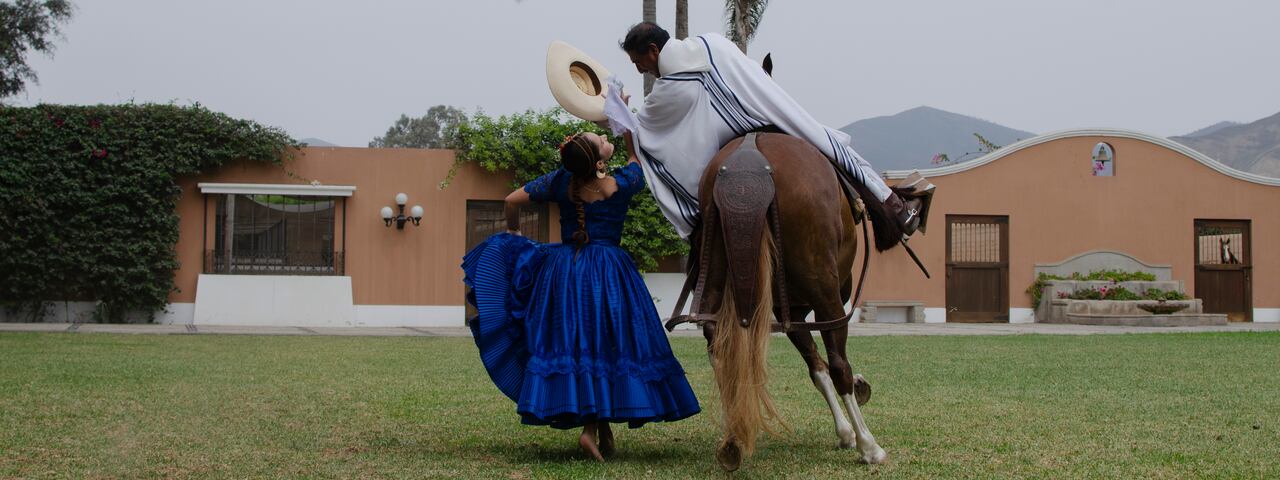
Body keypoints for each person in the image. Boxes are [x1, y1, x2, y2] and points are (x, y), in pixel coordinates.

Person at [462, 130, 701, 461]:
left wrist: (514, 232)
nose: (604, 135)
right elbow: (637, 161)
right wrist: (629, 132)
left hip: (566, 272)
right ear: (601, 161)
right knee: (608, 345)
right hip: (610, 272)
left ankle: (600, 430)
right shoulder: (619, 184)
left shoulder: (561, 180)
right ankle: (590, 431)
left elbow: (511, 200)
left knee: (580, 346)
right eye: (600, 139)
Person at [609, 22, 934, 251]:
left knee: (705, 210)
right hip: (774, 115)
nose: (641, 70)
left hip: (740, 132)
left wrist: (619, 114)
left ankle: (708, 270)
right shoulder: (713, 42)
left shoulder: (670, 88)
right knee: (825, 143)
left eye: (639, 62)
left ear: (653, 50)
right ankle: (893, 205)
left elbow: (648, 135)